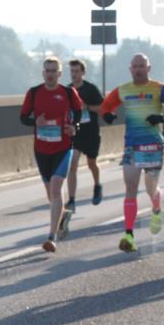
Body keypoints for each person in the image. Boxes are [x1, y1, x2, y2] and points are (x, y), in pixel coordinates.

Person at [99, 54, 164, 252]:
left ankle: (156, 209)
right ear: (130, 69)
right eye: (135, 66)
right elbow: (106, 106)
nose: (138, 69)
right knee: (130, 187)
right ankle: (129, 236)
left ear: (149, 67)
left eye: (141, 66)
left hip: (153, 146)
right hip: (131, 146)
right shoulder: (124, 90)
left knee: (151, 188)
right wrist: (108, 115)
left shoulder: (160, 88)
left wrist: (160, 117)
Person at [19, 56, 83, 253]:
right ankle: (63, 216)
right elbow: (23, 117)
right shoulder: (34, 93)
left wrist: (75, 127)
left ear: (59, 74)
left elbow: (79, 114)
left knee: (56, 189)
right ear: (43, 73)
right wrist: (34, 122)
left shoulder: (68, 92)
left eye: (53, 70)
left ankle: (51, 237)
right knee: (51, 194)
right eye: (47, 70)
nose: (50, 74)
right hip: (41, 149)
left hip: (63, 148)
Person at [66, 59, 104, 211]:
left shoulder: (91, 89)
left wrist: (86, 107)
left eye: (77, 71)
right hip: (75, 132)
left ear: (82, 72)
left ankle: (97, 185)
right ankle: (72, 200)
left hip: (91, 132)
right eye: (72, 71)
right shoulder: (67, 90)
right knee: (72, 164)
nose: (74, 74)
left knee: (91, 163)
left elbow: (103, 108)